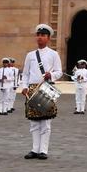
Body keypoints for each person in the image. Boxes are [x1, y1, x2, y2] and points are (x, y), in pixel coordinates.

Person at [21, 24, 63, 160]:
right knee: (34, 122)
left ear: (48, 38)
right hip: (32, 88)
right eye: (38, 35)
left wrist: (51, 75)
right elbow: (25, 74)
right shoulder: (30, 55)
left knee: (45, 123)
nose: (40, 37)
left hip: (46, 88)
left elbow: (59, 72)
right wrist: (24, 86)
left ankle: (43, 150)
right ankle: (34, 149)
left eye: (43, 35)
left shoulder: (54, 54)